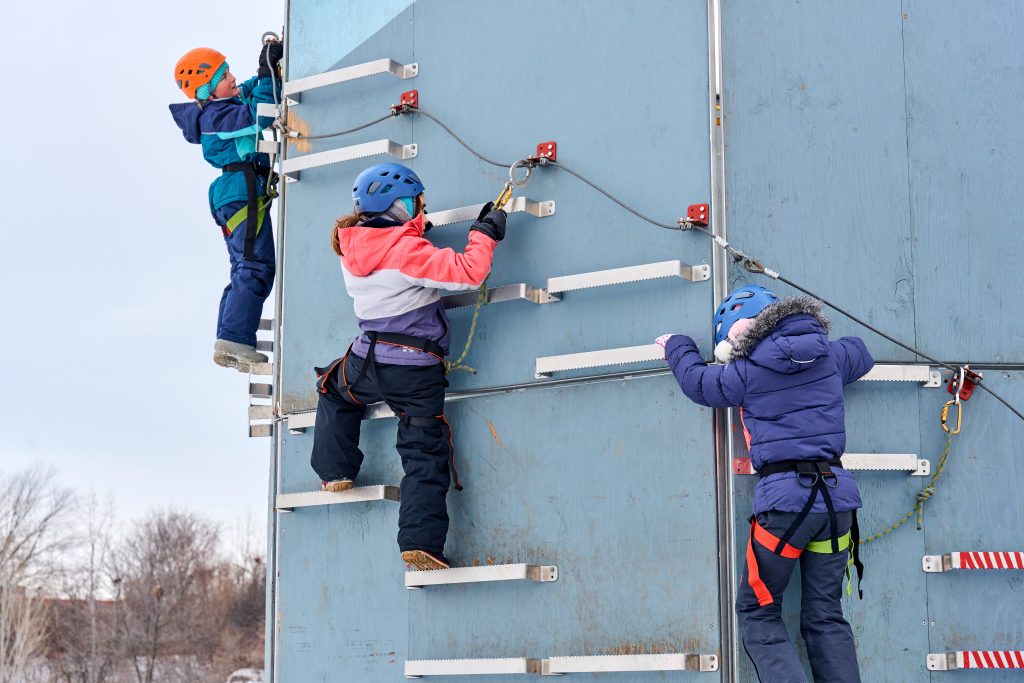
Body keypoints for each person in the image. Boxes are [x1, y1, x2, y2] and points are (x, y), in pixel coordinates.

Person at [657, 286, 873, 682]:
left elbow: (697, 383)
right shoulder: (831, 355)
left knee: (759, 610)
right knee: (825, 613)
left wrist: (677, 345)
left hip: (786, 503)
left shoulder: (746, 370)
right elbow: (862, 352)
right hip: (837, 501)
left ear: (739, 335)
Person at [310, 162, 507, 571]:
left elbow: (394, 257)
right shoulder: (409, 252)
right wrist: (484, 233)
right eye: (418, 202)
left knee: (332, 388)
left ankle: (334, 470)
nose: (423, 208)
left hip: (366, 360)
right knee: (423, 453)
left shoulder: (353, 248)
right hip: (415, 370)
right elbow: (470, 273)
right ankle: (421, 543)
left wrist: (415, 234)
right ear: (401, 203)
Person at [169, 41, 283, 371]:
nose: (231, 77)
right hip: (239, 190)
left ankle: (230, 338)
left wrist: (269, 70)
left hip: (237, 191)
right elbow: (257, 116)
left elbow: (248, 91)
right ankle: (234, 339)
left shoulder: (220, 106)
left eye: (228, 69)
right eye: (222, 76)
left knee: (245, 267)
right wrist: (266, 73)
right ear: (206, 90)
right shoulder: (217, 117)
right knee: (255, 266)